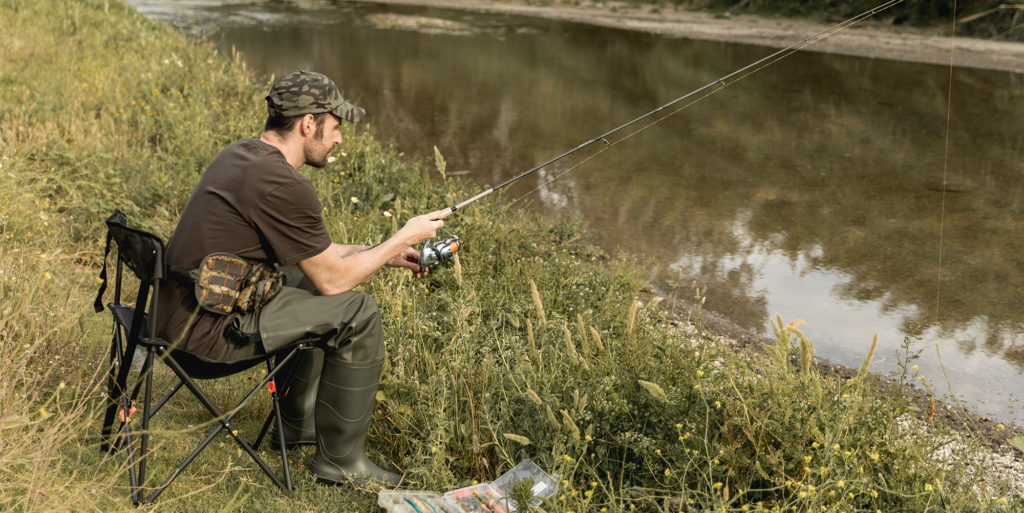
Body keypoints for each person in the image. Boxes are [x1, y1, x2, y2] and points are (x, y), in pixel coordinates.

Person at [151, 70, 442, 487]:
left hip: (169, 322)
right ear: (309, 123)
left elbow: (313, 259)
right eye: (336, 126)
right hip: (204, 339)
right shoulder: (285, 184)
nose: (339, 138)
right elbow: (335, 282)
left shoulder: (241, 155)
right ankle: (342, 463)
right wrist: (406, 233)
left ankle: (296, 428)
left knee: (301, 281)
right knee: (357, 310)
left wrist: (382, 252)